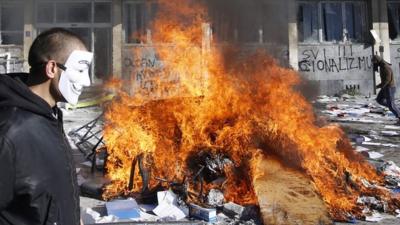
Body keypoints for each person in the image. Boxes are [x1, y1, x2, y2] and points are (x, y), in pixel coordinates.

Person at [0, 28, 93, 225]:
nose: (87, 81)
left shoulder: (50, 116)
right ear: (52, 68)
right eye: (80, 70)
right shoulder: (11, 130)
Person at [373, 55, 400, 124]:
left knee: (391, 105)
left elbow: (387, 80)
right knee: (379, 100)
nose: (374, 63)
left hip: (389, 88)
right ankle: (396, 108)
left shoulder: (385, 67)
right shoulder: (382, 66)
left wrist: (379, 86)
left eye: (374, 62)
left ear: (378, 61)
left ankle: (398, 115)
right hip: (385, 87)